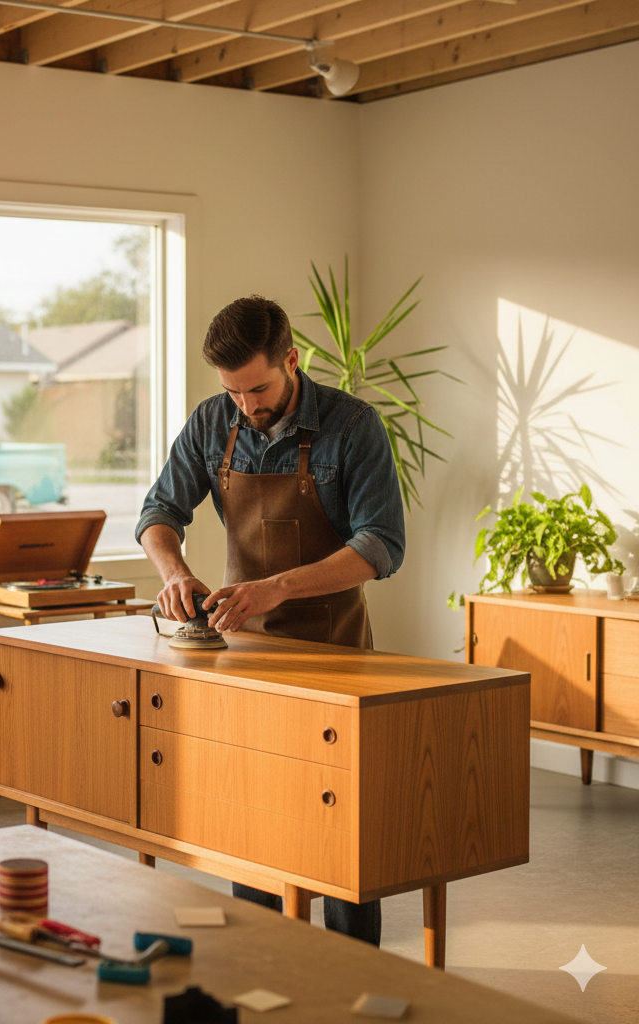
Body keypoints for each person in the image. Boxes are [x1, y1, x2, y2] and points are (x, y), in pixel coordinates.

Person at [135, 294, 406, 946]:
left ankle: (351, 966)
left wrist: (276, 587)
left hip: (335, 653)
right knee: (251, 815)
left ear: (291, 359)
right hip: (246, 653)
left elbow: (381, 545)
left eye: (257, 388)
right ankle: (263, 957)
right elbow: (158, 513)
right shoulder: (212, 422)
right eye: (233, 391)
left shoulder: (353, 426)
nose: (246, 405)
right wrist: (175, 574)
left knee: (340, 827)